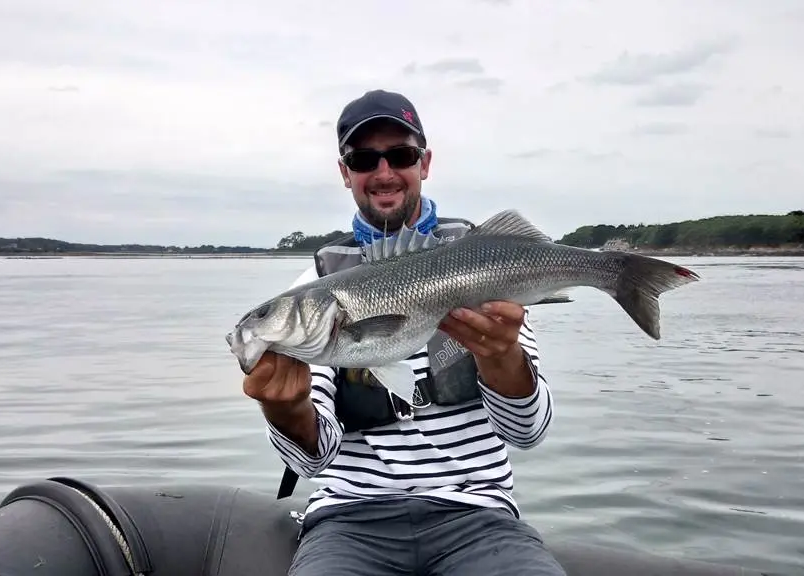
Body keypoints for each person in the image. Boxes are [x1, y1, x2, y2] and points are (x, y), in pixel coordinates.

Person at [241, 89, 566, 576]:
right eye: (365, 158)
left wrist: (503, 359)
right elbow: (313, 462)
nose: (385, 171)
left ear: (425, 163)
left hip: (478, 516)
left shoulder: (481, 268)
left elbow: (528, 432)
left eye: (401, 154)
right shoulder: (314, 292)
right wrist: (284, 409)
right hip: (349, 520)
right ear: (346, 172)